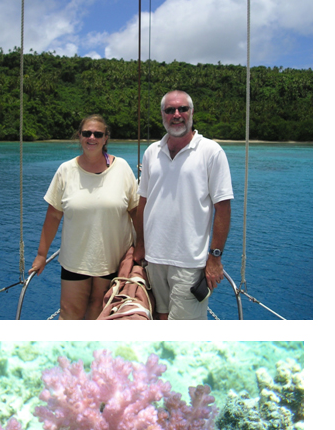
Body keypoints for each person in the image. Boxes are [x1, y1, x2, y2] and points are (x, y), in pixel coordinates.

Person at [133, 91, 234, 320]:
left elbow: (223, 208)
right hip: (154, 258)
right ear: (162, 115)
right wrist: (140, 245)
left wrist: (215, 258)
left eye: (182, 109)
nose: (176, 115)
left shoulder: (211, 151)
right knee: (159, 318)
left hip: (189, 261)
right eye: (170, 110)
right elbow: (143, 201)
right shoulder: (152, 152)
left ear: (191, 113)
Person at [31, 115, 138, 319]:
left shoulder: (122, 168)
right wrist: (41, 255)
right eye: (86, 133)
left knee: (100, 316)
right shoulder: (65, 171)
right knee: (70, 315)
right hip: (76, 261)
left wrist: (141, 248)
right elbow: (53, 216)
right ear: (79, 136)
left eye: (97, 134)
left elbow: (135, 211)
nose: (92, 137)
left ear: (106, 138)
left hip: (113, 260)